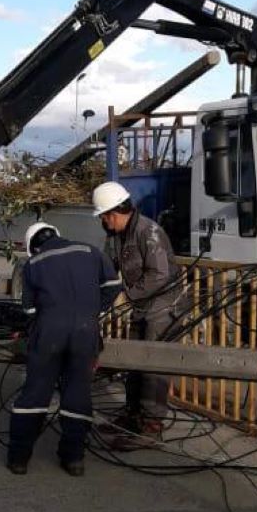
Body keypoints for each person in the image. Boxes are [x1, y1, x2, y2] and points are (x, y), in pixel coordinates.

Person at [7, 222, 122, 477]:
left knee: (35, 393)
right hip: (85, 332)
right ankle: (74, 459)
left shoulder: (34, 264)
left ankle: (19, 458)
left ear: (33, 246)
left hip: (49, 334)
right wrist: (94, 311)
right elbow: (114, 286)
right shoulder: (91, 252)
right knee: (77, 394)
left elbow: (28, 310)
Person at [92, 181, 183, 440]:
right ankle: (132, 415)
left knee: (153, 366)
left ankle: (151, 426)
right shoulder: (119, 236)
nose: (103, 223)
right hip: (143, 306)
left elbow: (159, 274)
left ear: (114, 213)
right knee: (133, 360)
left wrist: (126, 295)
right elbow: (107, 266)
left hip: (163, 308)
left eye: (103, 217)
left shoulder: (148, 232)